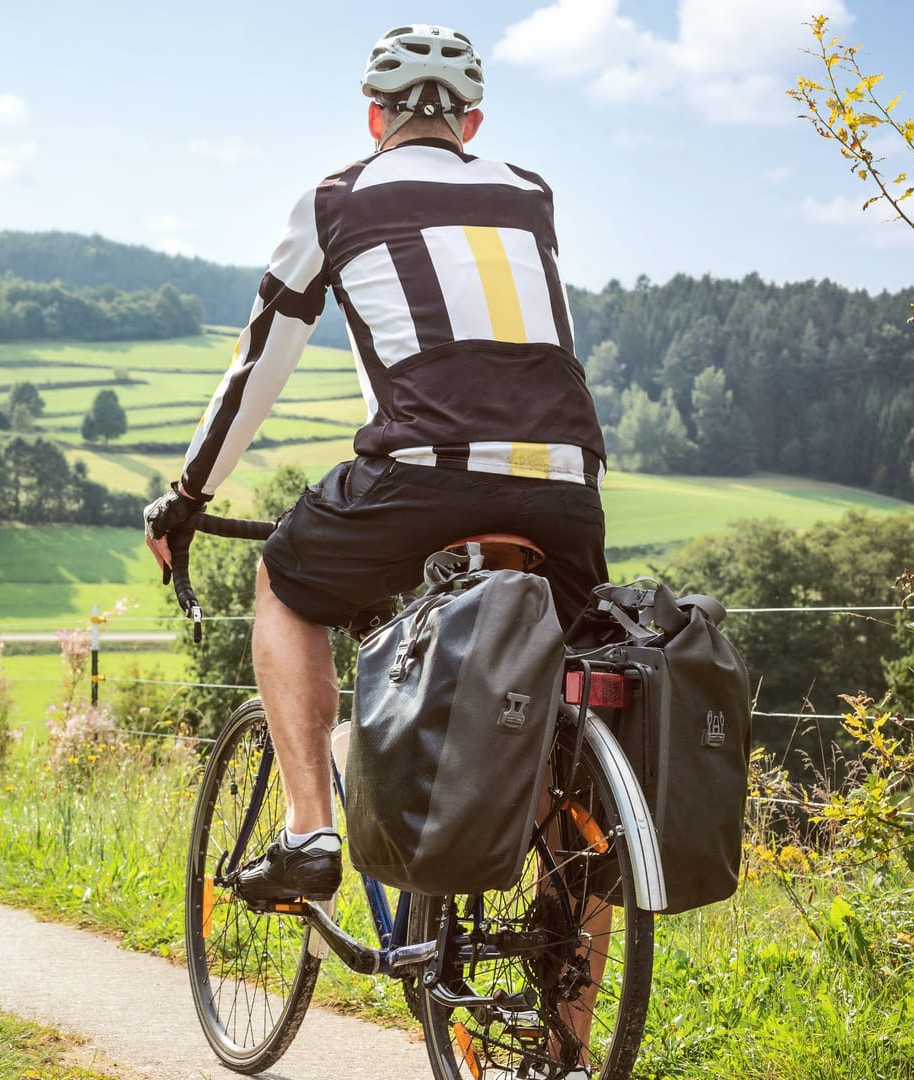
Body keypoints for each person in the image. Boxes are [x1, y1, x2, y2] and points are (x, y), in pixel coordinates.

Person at [144, 24, 608, 904]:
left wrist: (188, 497)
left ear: (372, 118)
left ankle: (310, 832)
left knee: (284, 583)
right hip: (567, 484)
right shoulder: (530, 194)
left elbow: (256, 371)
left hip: (422, 475)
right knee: (559, 702)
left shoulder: (336, 202)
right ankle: (571, 1029)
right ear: (471, 125)